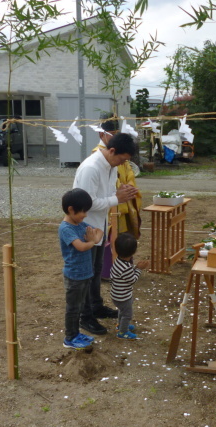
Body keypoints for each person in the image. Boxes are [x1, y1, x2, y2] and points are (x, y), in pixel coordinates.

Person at [73, 132, 139, 335]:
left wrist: (121, 193)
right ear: (112, 150)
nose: (122, 164)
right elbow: (85, 203)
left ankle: (96, 306)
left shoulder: (110, 165)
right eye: (122, 159)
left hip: (99, 227)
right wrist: (115, 199)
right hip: (85, 229)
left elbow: (107, 194)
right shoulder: (91, 168)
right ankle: (85, 317)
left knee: (96, 270)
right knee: (86, 274)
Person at [58, 188, 103, 350]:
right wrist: (92, 242)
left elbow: (100, 231)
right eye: (83, 211)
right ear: (71, 209)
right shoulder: (66, 228)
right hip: (74, 277)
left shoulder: (80, 224)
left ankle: (76, 333)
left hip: (85, 274)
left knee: (81, 305)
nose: (85, 215)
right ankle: (70, 338)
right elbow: (81, 247)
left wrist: (93, 238)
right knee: (73, 309)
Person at [110, 233, 149, 340]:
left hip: (116, 295)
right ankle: (123, 332)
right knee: (127, 314)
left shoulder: (118, 261)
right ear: (133, 251)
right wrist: (139, 269)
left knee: (122, 312)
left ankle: (121, 325)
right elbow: (132, 280)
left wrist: (135, 267)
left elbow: (127, 274)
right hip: (123, 297)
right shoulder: (126, 267)